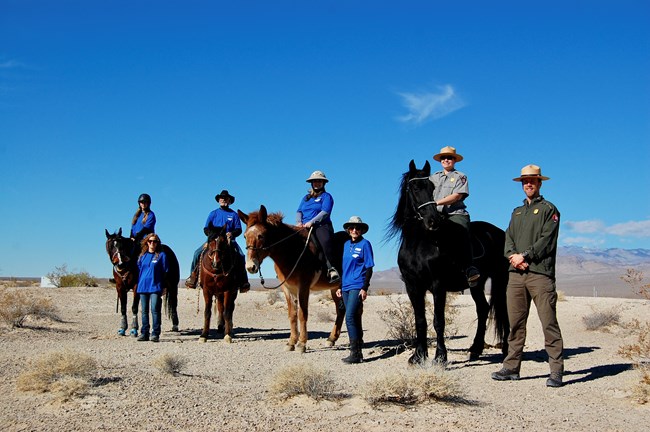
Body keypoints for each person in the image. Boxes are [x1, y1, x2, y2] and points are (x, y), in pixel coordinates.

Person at [492, 164, 564, 388]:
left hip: (539, 274)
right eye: (525, 181)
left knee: (548, 323)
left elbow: (546, 240)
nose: (528, 184)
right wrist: (513, 257)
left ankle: (556, 371)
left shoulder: (549, 210)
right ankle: (512, 367)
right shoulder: (517, 212)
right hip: (515, 275)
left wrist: (525, 256)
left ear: (540, 183)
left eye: (532, 180)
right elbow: (508, 238)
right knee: (515, 323)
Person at [429, 146, 480, 287]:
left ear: (454, 160)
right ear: (440, 161)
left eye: (449, 158)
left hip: (455, 214)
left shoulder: (460, 176)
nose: (446, 160)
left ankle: (469, 267)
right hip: (435, 215)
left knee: (461, 232)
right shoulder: (433, 178)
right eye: (443, 158)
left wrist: (436, 202)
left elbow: (458, 196)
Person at [185, 190, 250, 292]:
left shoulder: (234, 215)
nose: (223, 200)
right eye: (221, 198)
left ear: (229, 201)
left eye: (226, 198)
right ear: (219, 200)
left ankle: (243, 282)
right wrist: (211, 235)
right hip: (213, 241)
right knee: (197, 253)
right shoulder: (213, 213)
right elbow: (206, 228)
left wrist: (232, 233)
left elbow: (239, 229)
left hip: (229, 241)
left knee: (241, 255)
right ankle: (193, 277)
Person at [336, 216, 374, 364]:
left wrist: (365, 287)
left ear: (361, 230)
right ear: (348, 230)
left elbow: (369, 267)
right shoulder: (345, 245)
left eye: (357, 228)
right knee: (355, 318)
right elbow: (343, 268)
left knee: (350, 316)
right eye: (351, 228)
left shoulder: (365, 244)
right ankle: (358, 351)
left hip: (357, 285)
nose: (354, 230)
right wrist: (339, 286)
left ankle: (355, 353)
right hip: (345, 286)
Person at [296, 170, 340, 283]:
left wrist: (312, 222)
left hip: (321, 225)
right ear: (311, 183)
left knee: (325, 241)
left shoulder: (327, 196)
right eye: (315, 181)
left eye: (320, 181)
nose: (317, 183)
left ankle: (332, 268)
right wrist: (298, 222)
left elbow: (325, 212)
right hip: (303, 226)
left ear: (323, 183)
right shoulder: (306, 198)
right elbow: (299, 211)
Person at [136, 233, 168, 342]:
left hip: (155, 286)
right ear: (147, 242)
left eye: (155, 241)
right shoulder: (142, 256)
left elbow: (166, 272)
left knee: (155, 310)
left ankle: (155, 333)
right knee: (144, 311)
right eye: (150, 241)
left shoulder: (161, 256)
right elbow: (139, 269)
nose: (152, 243)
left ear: (157, 243)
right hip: (143, 286)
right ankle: (144, 332)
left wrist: (165, 286)